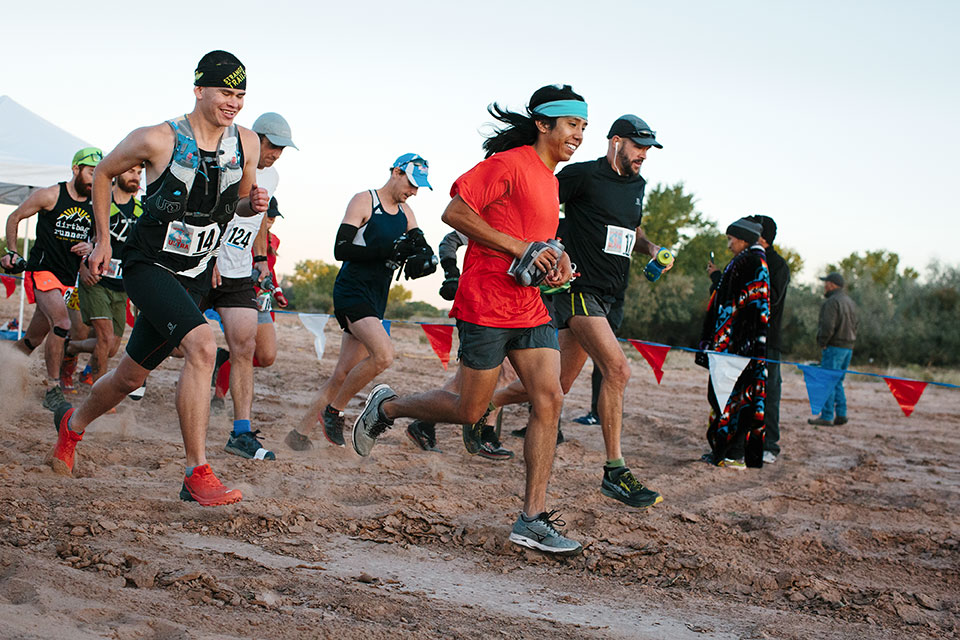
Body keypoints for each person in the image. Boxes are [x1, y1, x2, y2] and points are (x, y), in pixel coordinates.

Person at [350, 84, 587, 556]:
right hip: (486, 304)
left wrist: (556, 257)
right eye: (572, 125)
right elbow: (455, 212)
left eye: (583, 126)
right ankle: (388, 408)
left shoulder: (552, 179)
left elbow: (534, 237)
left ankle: (532, 518)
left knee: (550, 397)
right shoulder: (508, 164)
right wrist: (520, 248)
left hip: (528, 305)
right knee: (469, 411)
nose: (578, 135)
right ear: (544, 124)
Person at [49, 50, 268, 507]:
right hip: (148, 266)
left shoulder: (246, 144)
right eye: (225, 92)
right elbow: (106, 172)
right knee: (204, 346)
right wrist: (104, 239)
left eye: (241, 94)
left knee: (129, 377)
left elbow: (241, 203)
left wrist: (256, 204)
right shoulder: (158, 138)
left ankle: (72, 426)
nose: (234, 102)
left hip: (195, 274)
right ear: (199, 89)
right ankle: (196, 473)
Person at [488, 115, 666, 508]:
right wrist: (556, 250)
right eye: (638, 146)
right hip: (576, 289)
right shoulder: (583, 176)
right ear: (616, 141)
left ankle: (483, 405)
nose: (643, 155)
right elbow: (539, 205)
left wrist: (651, 249)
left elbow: (629, 231)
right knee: (618, 370)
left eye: (648, 148)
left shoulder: (637, 186)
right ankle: (615, 471)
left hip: (608, 294)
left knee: (556, 387)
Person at [285, 153, 434, 451]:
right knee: (384, 355)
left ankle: (298, 435)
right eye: (412, 183)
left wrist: (424, 260)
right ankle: (334, 411)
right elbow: (341, 249)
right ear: (396, 172)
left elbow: (421, 246)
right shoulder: (364, 200)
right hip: (352, 291)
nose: (415, 191)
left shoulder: (407, 213)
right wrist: (389, 249)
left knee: (342, 373)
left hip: (377, 296)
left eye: (420, 187)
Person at [206, 111, 297, 462]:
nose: (275, 154)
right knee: (174, 347)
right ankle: (129, 383)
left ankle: (240, 433)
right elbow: (209, 208)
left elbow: (256, 217)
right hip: (203, 263)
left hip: (240, 272)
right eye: (272, 146)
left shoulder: (271, 176)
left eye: (281, 149)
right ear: (254, 137)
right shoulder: (228, 159)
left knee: (247, 347)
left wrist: (261, 261)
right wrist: (211, 253)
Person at [2, 147, 101, 411]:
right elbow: (14, 217)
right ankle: (53, 388)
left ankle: (4, 368)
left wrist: (90, 247)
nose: (94, 179)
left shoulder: (95, 205)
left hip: (68, 281)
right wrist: (12, 251)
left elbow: (97, 240)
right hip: (43, 272)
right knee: (62, 323)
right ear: (76, 169)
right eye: (91, 172)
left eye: (98, 174)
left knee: (33, 339)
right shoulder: (50, 195)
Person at [405, 229, 516, 460]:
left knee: (465, 379)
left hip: (511, 306)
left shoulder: (539, 223)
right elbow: (450, 240)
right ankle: (485, 435)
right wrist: (452, 275)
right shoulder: (496, 219)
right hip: (483, 305)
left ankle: (424, 424)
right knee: (504, 374)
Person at [699, 217, 770, 469]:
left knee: (733, 396)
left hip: (737, 347)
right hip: (731, 345)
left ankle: (732, 453)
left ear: (742, 239)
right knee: (721, 395)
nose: (729, 245)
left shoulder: (752, 262)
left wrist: (737, 344)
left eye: (731, 240)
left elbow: (752, 307)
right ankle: (723, 450)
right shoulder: (747, 260)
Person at [64, 165, 144, 385]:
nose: (135, 177)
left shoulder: (141, 211)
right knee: (105, 337)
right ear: (117, 174)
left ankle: (71, 346)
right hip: (95, 281)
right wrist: (82, 268)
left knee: (111, 347)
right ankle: (97, 389)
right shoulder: (99, 205)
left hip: (122, 286)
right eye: (130, 171)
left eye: (139, 173)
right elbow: (76, 241)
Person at [746, 215, 789, 462]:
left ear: (763, 238)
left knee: (770, 394)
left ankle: (769, 445)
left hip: (768, 340)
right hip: (745, 339)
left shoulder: (777, 264)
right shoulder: (747, 259)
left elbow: (771, 299)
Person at [808, 272, 858, 426]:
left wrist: (823, 342)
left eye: (826, 283)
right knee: (838, 381)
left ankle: (827, 415)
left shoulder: (832, 302)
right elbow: (856, 325)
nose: (824, 286)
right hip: (848, 347)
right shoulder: (850, 302)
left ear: (832, 284)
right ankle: (841, 414)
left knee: (827, 380)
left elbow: (828, 325)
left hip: (834, 346)